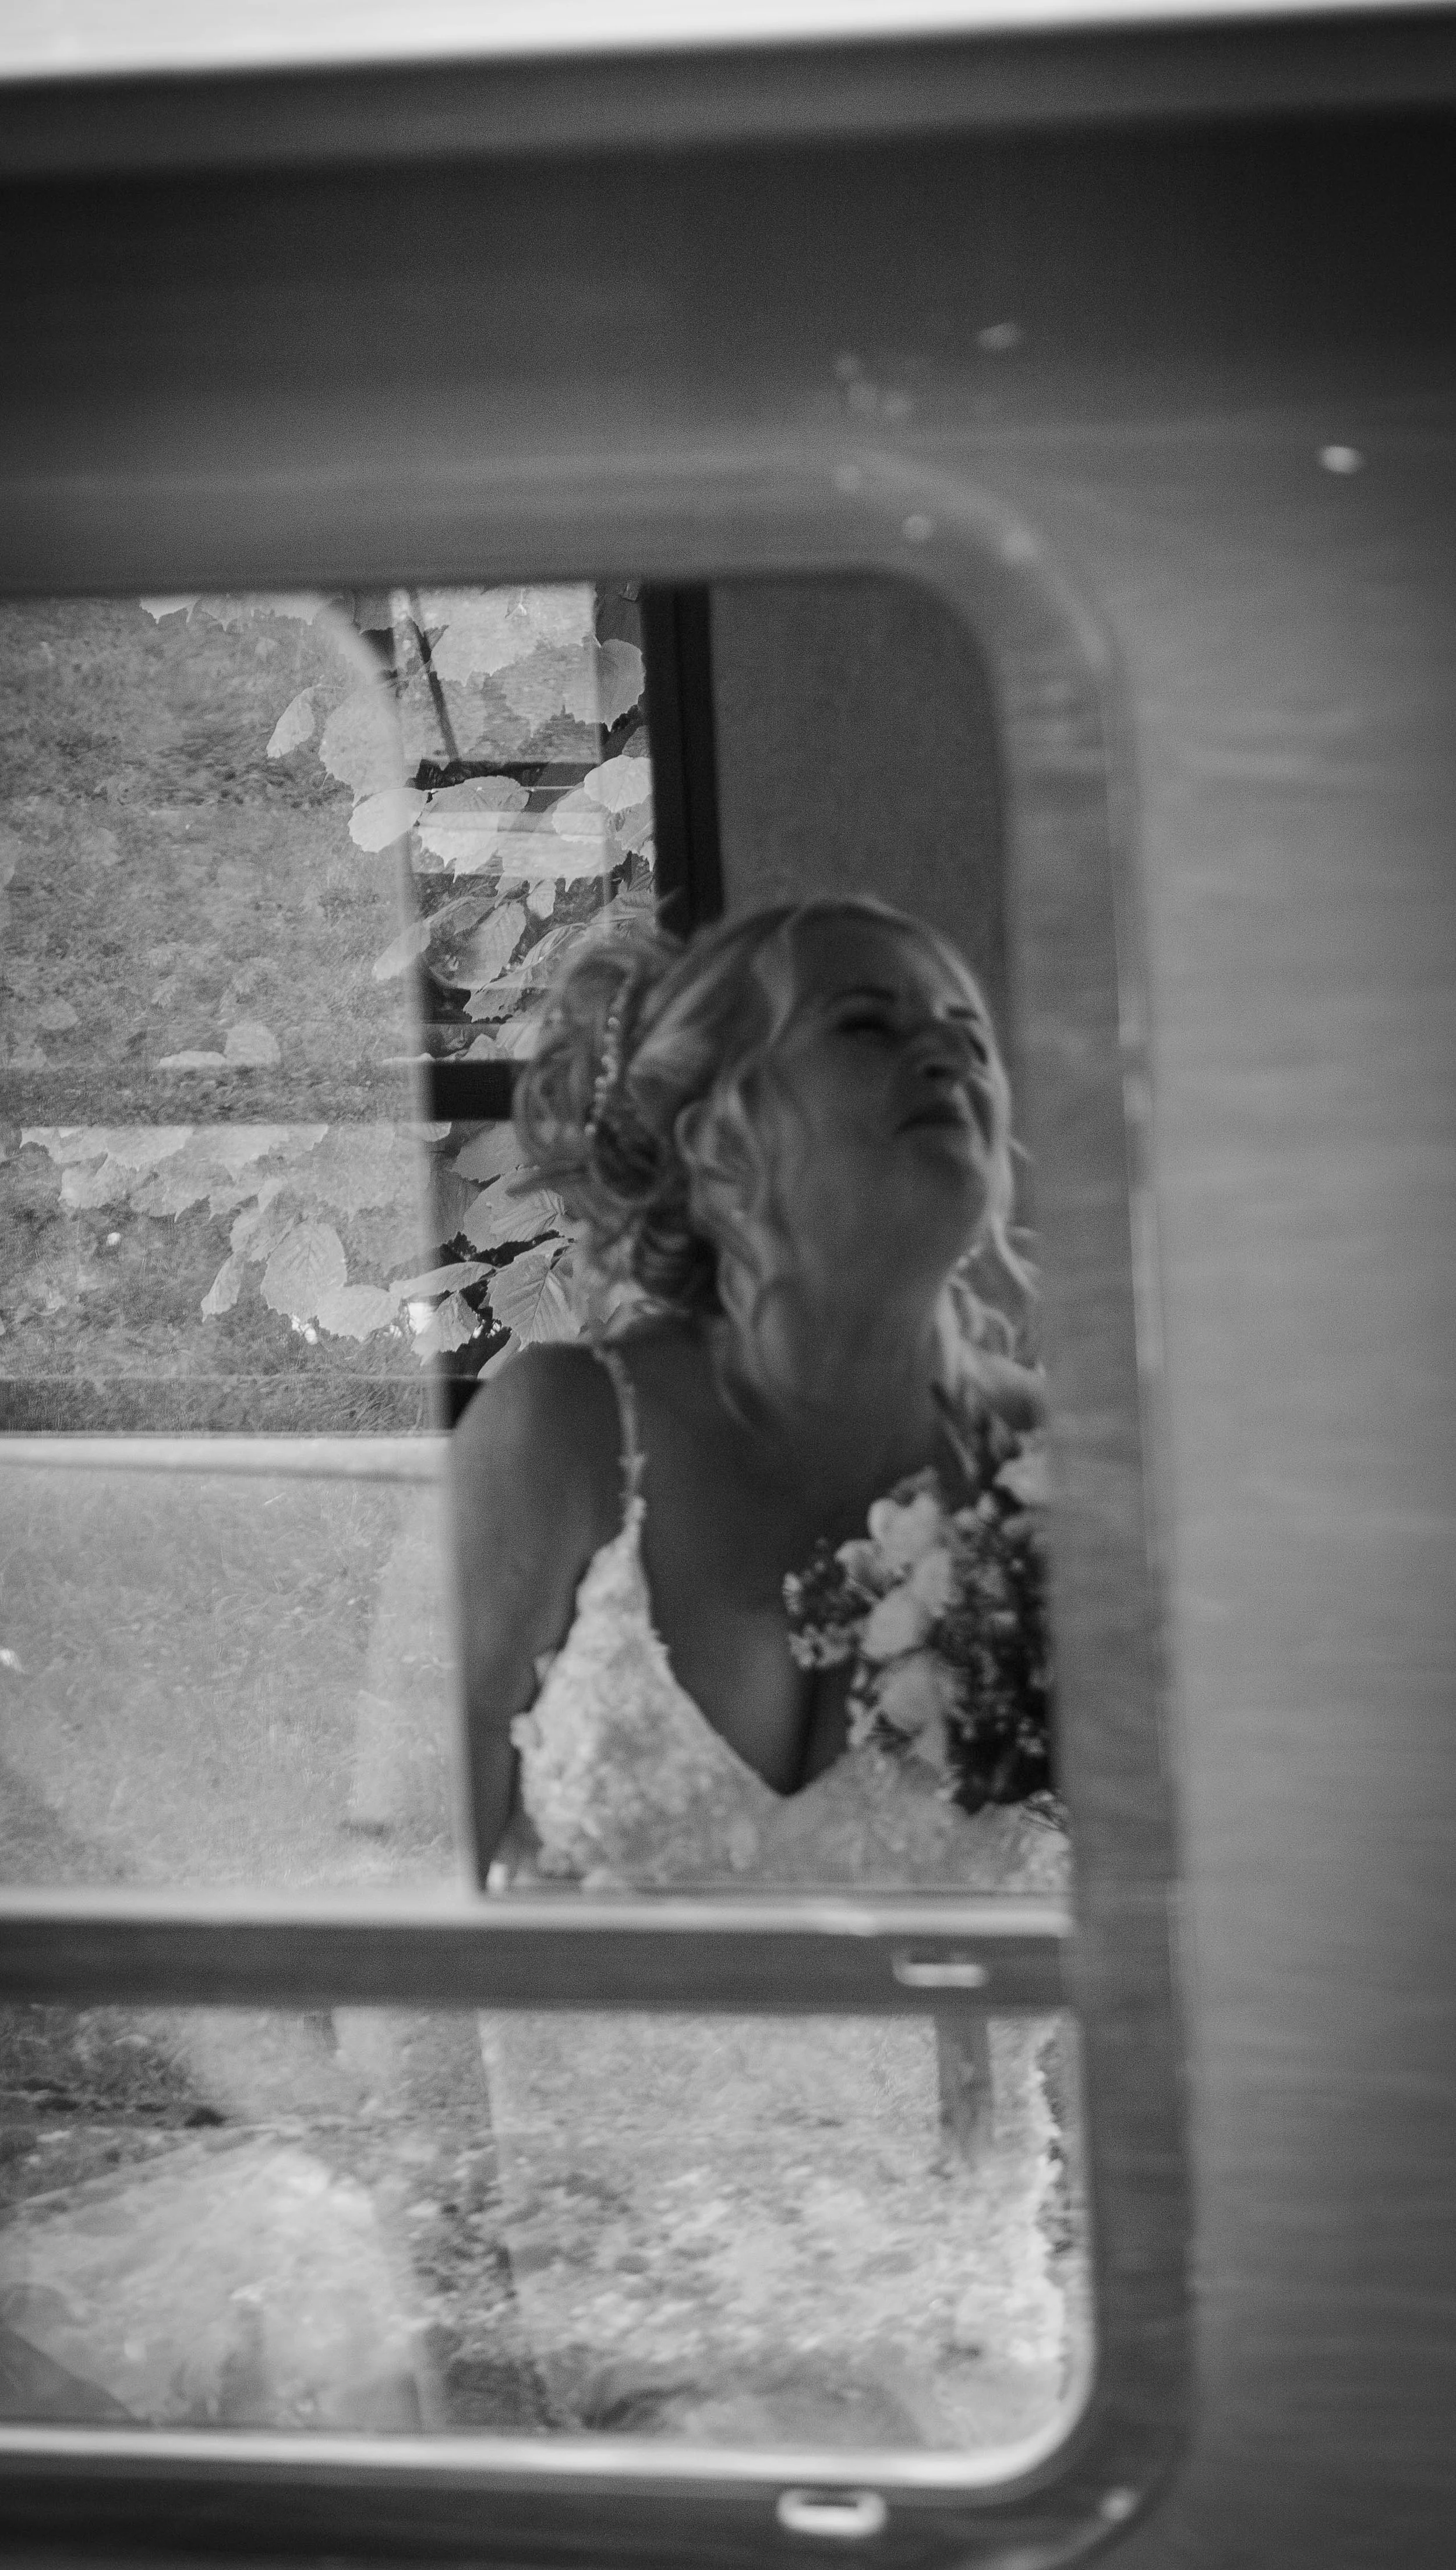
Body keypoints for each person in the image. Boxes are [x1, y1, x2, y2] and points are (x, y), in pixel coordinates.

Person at [450, 896, 1080, 2448]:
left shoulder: (1066, 1479)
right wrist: (450, 2351)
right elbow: (399, 1885)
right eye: (869, 1023)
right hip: (596, 2341)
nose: (944, 1054)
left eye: (968, 1034)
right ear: (718, 1141)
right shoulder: (557, 1431)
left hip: (961, 2360)